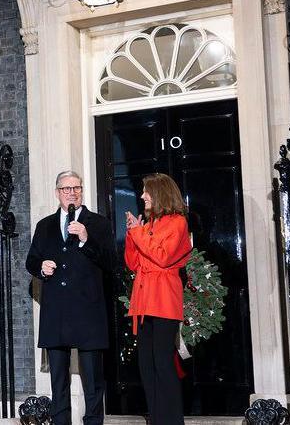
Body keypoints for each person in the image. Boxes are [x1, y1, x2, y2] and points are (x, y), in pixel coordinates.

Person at [26, 171, 115, 425]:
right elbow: (31, 260)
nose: (72, 193)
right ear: (57, 193)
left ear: (82, 191)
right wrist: (41, 267)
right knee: (59, 382)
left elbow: (110, 262)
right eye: (66, 189)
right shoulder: (45, 225)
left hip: (88, 312)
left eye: (76, 188)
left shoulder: (97, 223)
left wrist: (86, 239)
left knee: (93, 381)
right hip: (57, 312)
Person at [124, 173, 192, 425]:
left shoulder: (177, 223)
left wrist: (139, 234)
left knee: (163, 364)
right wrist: (133, 234)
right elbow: (133, 263)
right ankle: (156, 418)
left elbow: (162, 257)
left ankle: (172, 421)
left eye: (146, 191)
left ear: (160, 193)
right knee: (146, 365)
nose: (142, 196)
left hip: (163, 300)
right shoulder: (150, 224)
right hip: (143, 301)